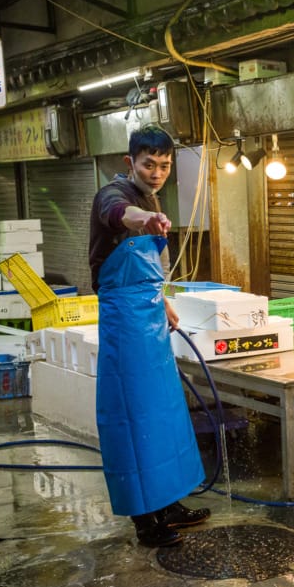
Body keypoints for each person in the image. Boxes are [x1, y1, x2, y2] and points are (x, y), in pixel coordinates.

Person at [88, 123, 210, 547]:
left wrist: (164, 303)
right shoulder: (115, 194)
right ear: (130, 162)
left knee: (165, 414)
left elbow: (149, 272)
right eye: (148, 164)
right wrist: (148, 219)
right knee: (135, 415)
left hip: (150, 315)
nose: (156, 172)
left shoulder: (151, 193)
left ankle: (169, 501)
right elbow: (120, 215)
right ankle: (145, 520)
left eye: (163, 165)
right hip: (124, 320)